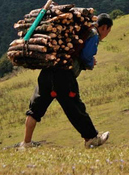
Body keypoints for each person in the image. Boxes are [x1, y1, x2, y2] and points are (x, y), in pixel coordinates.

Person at [19, 13, 113, 149]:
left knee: (35, 109)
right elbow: (87, 55)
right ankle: (91, 138)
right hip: (64, 76)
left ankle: (26, 143)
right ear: (104, 27)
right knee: (75, 108)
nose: (106, 34)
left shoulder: (81, 30)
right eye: (108, 31)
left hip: (47, 72)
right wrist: (91, 63)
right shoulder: (93, 35)